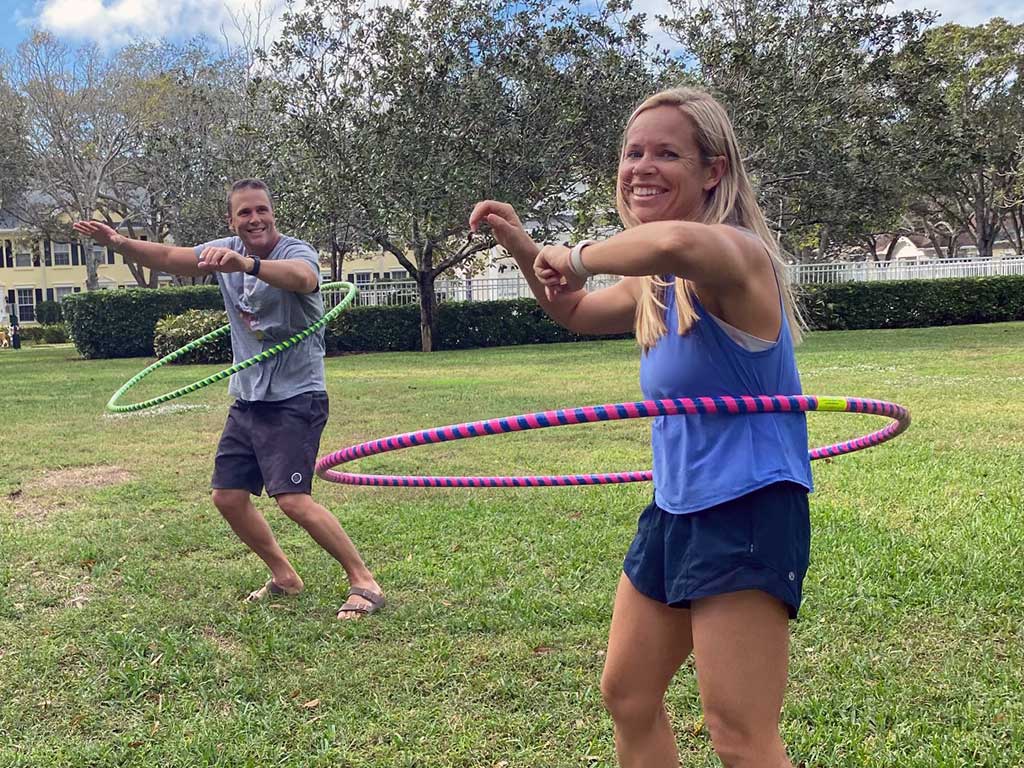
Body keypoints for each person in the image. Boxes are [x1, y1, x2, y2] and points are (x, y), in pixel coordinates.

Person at [470, 87, 812, 767]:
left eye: (667, 153)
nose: (642, 167)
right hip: (675, 507)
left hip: (746, 507)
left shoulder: (735, 256)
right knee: (627, 696)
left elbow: (680, 242)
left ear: (713, 171)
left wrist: (578, 253)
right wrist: (524, 248)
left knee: (739, 735)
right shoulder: (656, 284)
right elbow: (574, 313)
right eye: (633, 153)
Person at [73, 179, 384, 620]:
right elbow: (170, 258)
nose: (254, 219)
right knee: (228, 497)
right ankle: (284, 577)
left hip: (296, 396)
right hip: (248, 396)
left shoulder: (296, 251)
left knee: (292, 500)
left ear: (273, 213)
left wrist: (249, 264)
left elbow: (305, 279)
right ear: (232, 219)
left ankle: (363, 580)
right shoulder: (222, 249)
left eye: (262, 210)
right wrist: (120, 242)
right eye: (244, 213)